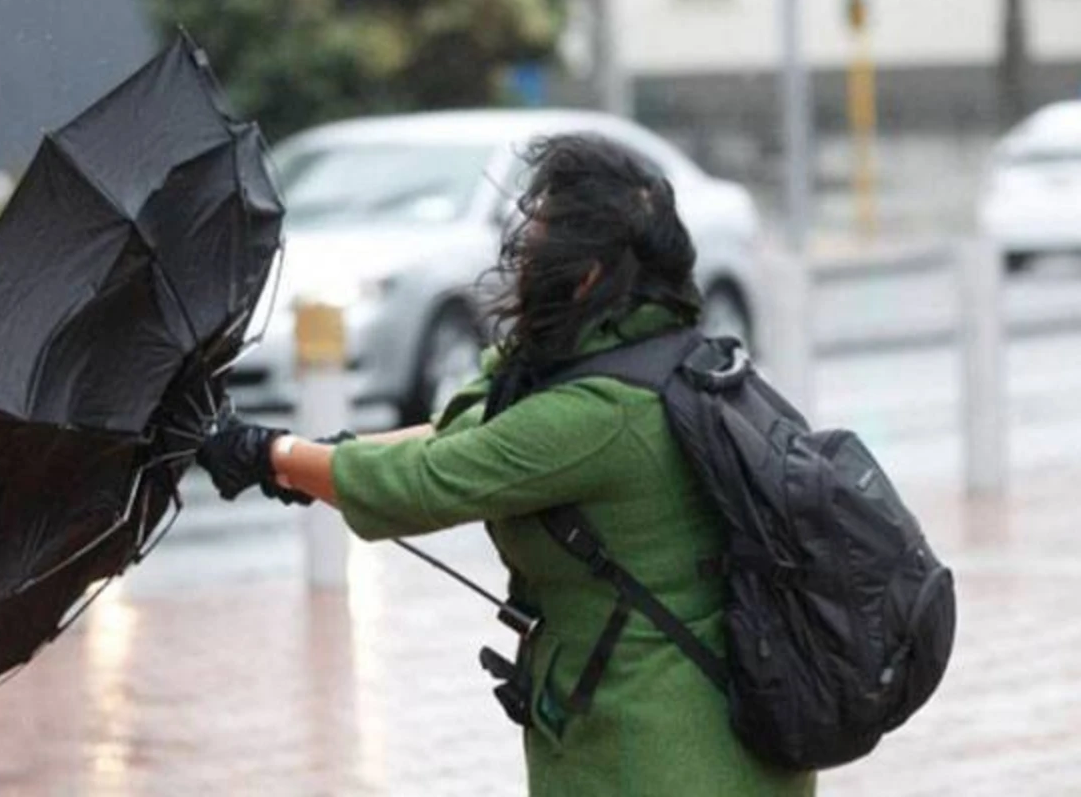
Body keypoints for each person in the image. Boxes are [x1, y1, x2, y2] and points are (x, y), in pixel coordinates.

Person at [196, 134, 816, 796]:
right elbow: (458, 432)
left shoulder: (601, 412)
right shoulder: (652, 355)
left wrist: (270, 453)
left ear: (588, 274)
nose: (523, 257)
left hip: (666, 755)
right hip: (677, 736)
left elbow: (424, 483)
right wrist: (311, 459)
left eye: (542, 240)